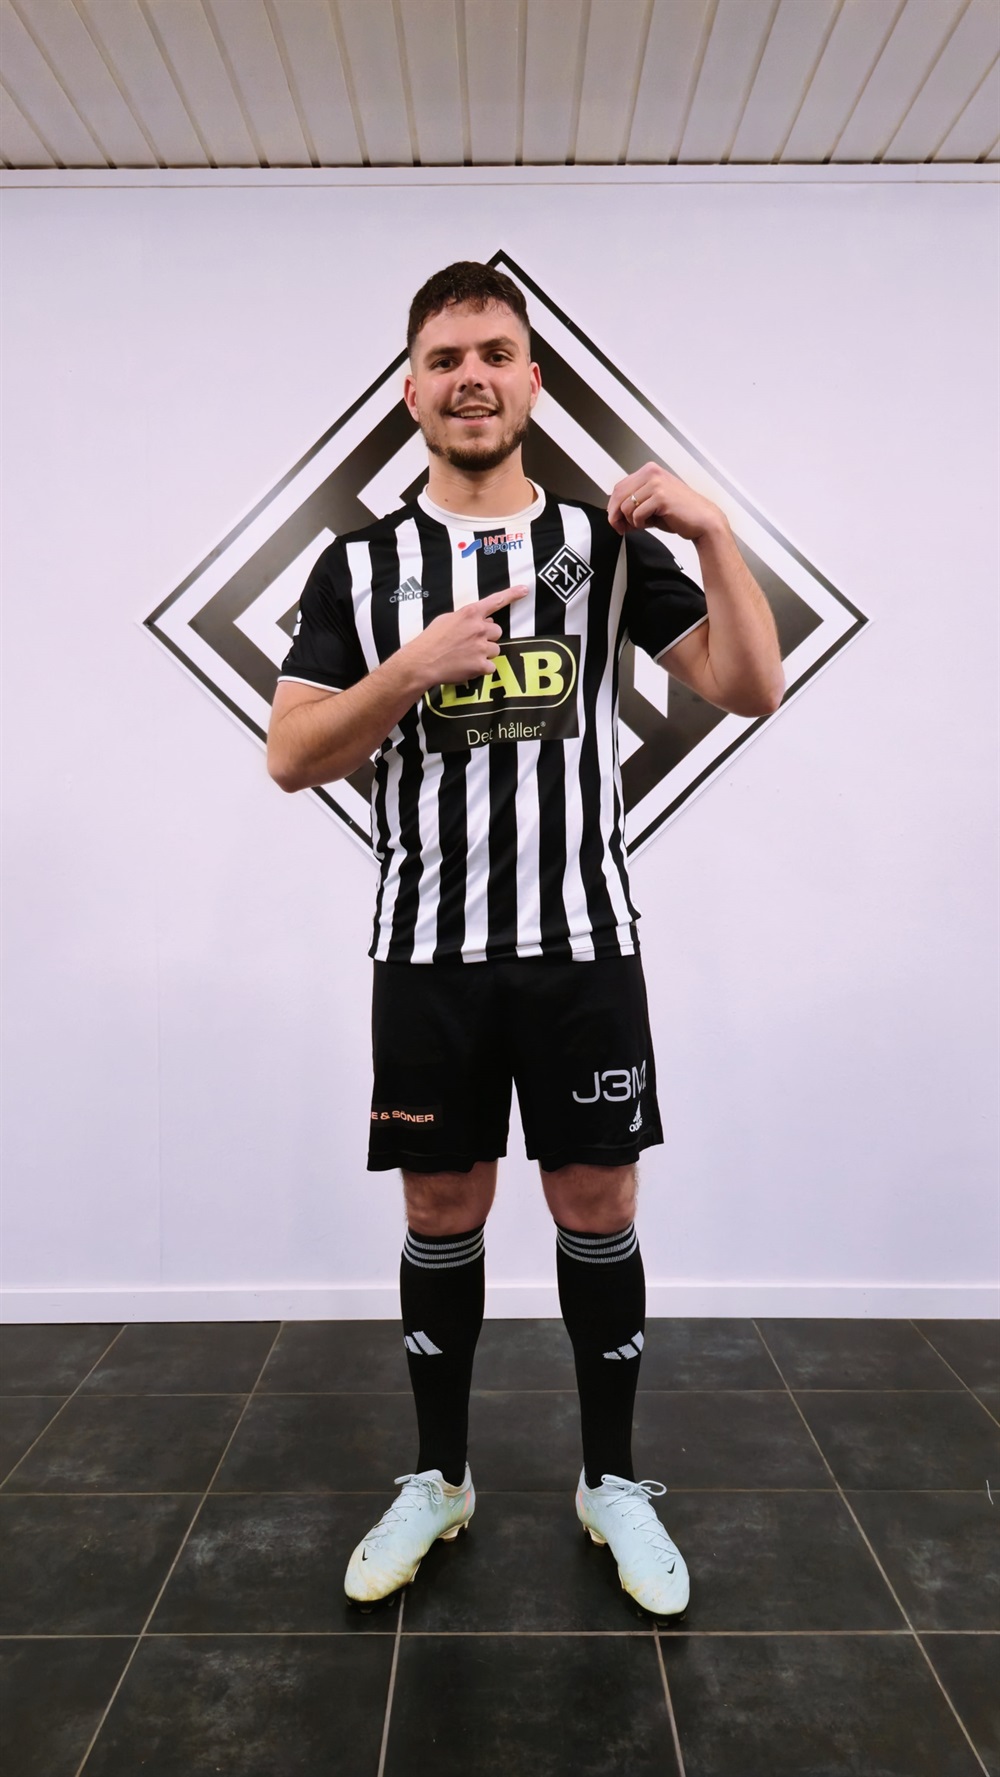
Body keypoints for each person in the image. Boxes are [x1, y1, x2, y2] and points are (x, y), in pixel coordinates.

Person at [267, 262, 784, 1618]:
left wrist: (715, 532)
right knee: (441, 1210)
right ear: (411, 392)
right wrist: (407, 671)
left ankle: (610, 1481)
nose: (472, 379)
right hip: (428, 951)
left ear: (534, 382)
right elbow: (290, 755)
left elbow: (751, 685)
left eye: (495, 354)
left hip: (580, 945)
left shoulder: (604, 549)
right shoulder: (360, 564)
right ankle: (440, 1477)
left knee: (597, 1206)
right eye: (446, 360)